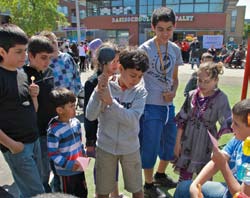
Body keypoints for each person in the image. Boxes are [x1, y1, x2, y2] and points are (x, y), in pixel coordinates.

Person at [86, 48, 149, 198]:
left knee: (137, 190)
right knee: (102, 192)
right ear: (120, 68)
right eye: (133, 75)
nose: (136, 80)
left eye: (140, 76)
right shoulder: (106, 85)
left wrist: (111, 102)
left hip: (130, 148)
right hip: (105, 147)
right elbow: (90, 115)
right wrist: (98, 91)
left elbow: (132, 119)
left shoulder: (140, 92)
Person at [139, 6, 183, 197]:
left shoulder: (175, 49)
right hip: (150, 106)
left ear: (174, 27)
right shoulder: (145, 49)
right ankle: (148, 185)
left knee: (169, 142)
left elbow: (175, 78)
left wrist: (173, 92)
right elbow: (136, 78)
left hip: (168, 106)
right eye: (161, 29)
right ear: (153, 27)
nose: (165, 33)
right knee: (150, 144)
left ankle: (160, 174)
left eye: (169, 29)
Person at [0, 23, 44, 197]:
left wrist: (34, 96)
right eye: (18, 51)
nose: (24, 56)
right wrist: (12, 145)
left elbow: (33, 110)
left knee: (33, 188)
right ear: (2, 52)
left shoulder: (22, 74)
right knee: (36, 192)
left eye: (25, 50)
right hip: (17, 147)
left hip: (34, 141)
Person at [174, 98, 250, 198]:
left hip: (237, 193)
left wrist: (223, 165)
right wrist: (195, 185)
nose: (232, 126)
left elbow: (242, 195)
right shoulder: (239, 140)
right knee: (184, 188)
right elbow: (216, 161)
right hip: (229, 190)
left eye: (236, 124)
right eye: (232, 121)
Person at [174, 61, 232, 182]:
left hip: (206, 141)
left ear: (215, 80)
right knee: (184, 175)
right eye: (199, 80)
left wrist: (218, 145)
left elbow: (227, 122)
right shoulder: (191, 95)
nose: (202, 84)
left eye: (207, 81)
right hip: (187, 138)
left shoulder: (221, 98)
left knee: (203, 175)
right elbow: (182, 120)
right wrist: (177, 143)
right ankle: (183, 191)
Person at [84, 43, 126, 198]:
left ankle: (115, 194)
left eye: (118, 60)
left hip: (115, 134)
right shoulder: (92, 82)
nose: (117, 64)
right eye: (113, 61)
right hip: (100, 137)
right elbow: (89, 117)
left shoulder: (118, 80)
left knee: (113, 166)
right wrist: (90, 140)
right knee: (102, 171)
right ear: (102, 62)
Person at [23, 35, 55, 192]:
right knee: (41, 173)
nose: (47, 62)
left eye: (49, 57)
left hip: (53, 129)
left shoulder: (49, 71)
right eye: (43, 58)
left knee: (53, 167)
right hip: (37, 132)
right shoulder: (22, 75)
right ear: (30, 55)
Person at [47, 87, 88, 198]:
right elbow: (53, 154)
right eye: (71, 106)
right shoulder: (54, 130)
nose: (75, 108)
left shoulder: (76, 123)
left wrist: (83, 154)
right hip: (65, 173)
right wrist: (69, 164)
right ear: (60, 110)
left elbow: (79, 143)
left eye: (74, 105)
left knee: (82, 193)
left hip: (79, 168)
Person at [39, 31, 82, 96]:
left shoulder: (67, 58)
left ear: (57, 42)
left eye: (53, 42)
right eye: (48, 44)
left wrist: (76, 95)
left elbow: (77, 77)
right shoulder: (42, 63)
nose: (52, 46)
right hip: (53, 103)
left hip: (71, 101)